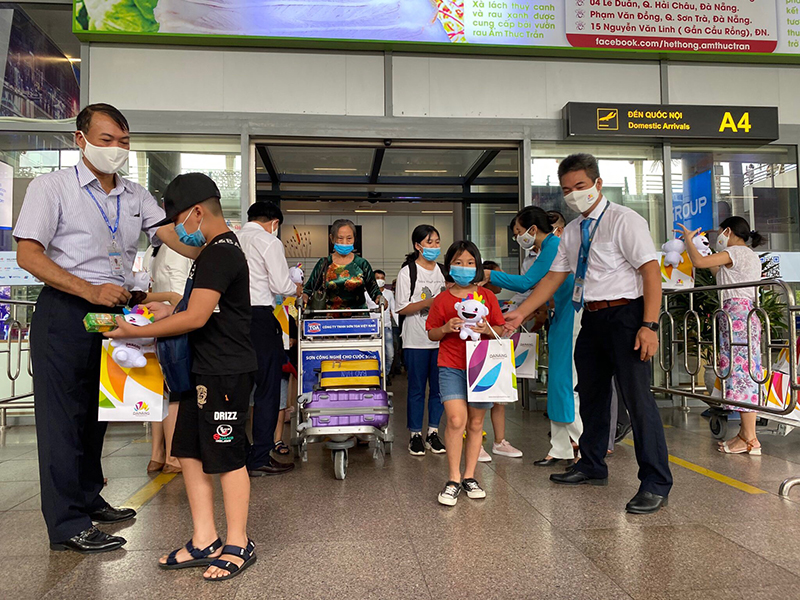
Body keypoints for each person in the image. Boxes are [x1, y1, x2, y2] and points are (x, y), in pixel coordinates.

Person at [14, 103, 199, 554]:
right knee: (63, 419)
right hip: (66, 310)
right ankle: (66, 523)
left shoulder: (134, 195)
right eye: (106, 140)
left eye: (123, 141)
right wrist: (88, 288)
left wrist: (218, 246)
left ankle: (88, 495)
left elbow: (173, 236)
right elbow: (29, 255)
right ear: (80, 140)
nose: (116, 149)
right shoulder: (51, 187)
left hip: (113, 314)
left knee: (100, 412)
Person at [107, 173, 258, 580]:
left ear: (195, 213)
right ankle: (204, 538)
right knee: (188, 452)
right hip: (201, 369)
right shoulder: (208, 251)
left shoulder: (221, 252)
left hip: (226, 372)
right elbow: (193, 307)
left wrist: (135, 332)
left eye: (177, 225)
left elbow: (197, 316)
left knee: (226, 458)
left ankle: (239, 543)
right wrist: (163, 312)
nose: (177, 235)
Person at [505, 153, 672, 515]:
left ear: (598, 183)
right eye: (567, 189)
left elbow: (650, 273)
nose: (574, 194)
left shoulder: (624, 220)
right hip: (592, 318)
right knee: (591, 395)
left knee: (637, 400)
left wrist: (649, 325)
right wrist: (520, 312)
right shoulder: (575, 231)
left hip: (627, 316)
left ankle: (656, 481)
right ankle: (592, 464)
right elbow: (553, 277)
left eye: (580, 186)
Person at [487, 207, 583, 466]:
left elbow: (526, 282)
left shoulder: (554, 245)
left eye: (519, 232)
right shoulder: (546, 249)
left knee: (565, 381)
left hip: (572, 314)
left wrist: (488, 275)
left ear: (532, 229)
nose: (519, 238)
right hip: (560, 315)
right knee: (559, 381)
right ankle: (562, 446)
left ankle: (579, 443)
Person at [427, 240, 505, 506]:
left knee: (475, 423)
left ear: (478, 266)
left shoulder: (489, 297)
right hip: (450, 364)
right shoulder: (442, 300)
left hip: (482, 365)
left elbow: (500, 330)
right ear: (449, 266)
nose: (464, 268)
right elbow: (431, 333)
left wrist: (487, 330)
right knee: (456, 420)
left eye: (470, 263)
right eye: (459, 263)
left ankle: (469, 477)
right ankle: (452, 478)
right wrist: (447, 327)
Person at [678, 216, 764, 455]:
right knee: (743, 371)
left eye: (719, 233)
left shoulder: (737, 252)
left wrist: (688, 241)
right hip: (741, 316)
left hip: (738, 317)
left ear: (728, 231)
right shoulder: (745, 256)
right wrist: (701, 245)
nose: (719, 237)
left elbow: (699, 261)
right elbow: (719, 273)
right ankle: (746, 435)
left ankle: (750, 438)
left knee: (741, 373)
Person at [239, 201, 299, 477]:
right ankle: (260, 456)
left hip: (231, 321)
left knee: (237, 390)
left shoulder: (232, 238)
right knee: (267, 389)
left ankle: (236, 453)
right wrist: (296, 288)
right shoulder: (268, 242)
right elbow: (280, 285)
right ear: (274, 223)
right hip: (260, 320)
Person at [395, 225, 447, 456]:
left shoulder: (445, 271)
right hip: (416, 340)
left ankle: (433, 433)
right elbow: (402, 308)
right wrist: (430, 302)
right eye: (429, 243)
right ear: (418, 246)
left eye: (437, 242)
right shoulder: (408, 272)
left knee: (438, 390)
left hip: (442, 340)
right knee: (416, 389)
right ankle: (415, 434)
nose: (434, 247)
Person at [143, 243, 194, 475]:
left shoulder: (152, 251)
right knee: (177, 389)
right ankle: (174, 455)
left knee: (160, 390)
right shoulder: (178, 248)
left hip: (156, 320)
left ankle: (157, 454)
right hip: (176, 319)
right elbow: (182, 293)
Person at [303, 219, 383, 312]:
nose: (345, 242)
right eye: (340, 238)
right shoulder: (324, 264)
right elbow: (308, 289)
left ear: (354, 238)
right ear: (332, 238)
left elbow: (374, 290)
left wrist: (380, 299)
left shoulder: (361, 264)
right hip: (329, 320)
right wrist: (303, 298)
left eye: (349, 238)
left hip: (358, 319)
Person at [366, 269, 396, 382]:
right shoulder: (366, 294)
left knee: (390, 354)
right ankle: (376, 376)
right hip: (372, 327)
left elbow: (393, 309)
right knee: (374, 354)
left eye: (382, 278)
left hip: (386, 326)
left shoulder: (389, 293)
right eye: (377, 278)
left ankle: (385, 374)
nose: (380, 280)